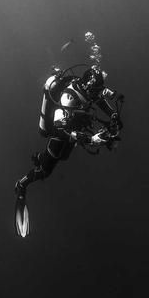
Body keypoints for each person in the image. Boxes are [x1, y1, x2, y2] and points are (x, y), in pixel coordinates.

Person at [13, 65, 123, 236]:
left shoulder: (90, 90)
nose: (96, 94)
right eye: (94, 91)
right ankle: (22, 185)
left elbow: (100, 99)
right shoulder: (68, 97)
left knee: (64, 156)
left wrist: (113, 114)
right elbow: (59, 127)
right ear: (87, 86)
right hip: (62, 132)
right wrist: (90, 139)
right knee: (45, 170)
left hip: (74, 128)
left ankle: (41, 157)